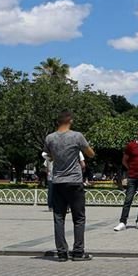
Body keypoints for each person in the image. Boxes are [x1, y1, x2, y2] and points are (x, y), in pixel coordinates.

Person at [43, 111, 95, 261]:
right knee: (78, 218)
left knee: (59, 217)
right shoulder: (77, 136)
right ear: (70, 121)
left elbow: (48, 155)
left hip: (57, 181)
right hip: (74, 181)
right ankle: (78, 252)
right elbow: (90, 153)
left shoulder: (50, 138)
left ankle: (61, 253)